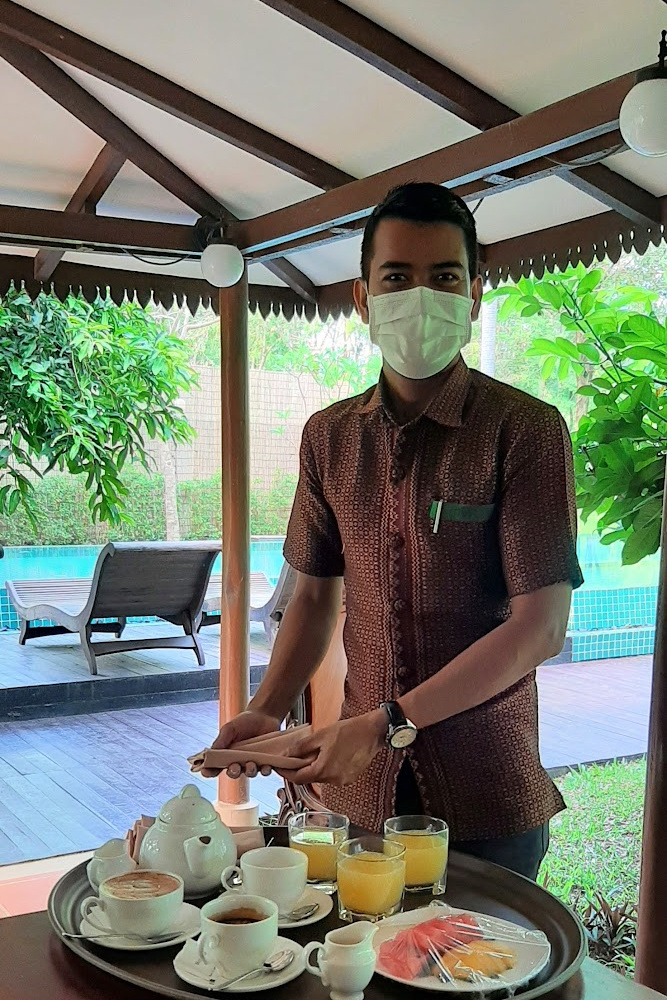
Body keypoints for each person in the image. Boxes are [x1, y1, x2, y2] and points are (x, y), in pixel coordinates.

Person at [206, 182, 583, 881]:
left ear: (473, 293)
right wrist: (263, 709)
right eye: (396, 277)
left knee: (478, 980)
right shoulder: (328, 437)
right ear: (363, 299)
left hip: (486, 795)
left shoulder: (523, 431)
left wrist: (384, 723)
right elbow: (315, 599)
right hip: (357, 798)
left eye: (443, 276)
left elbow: (539, 627)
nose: (420, 296)